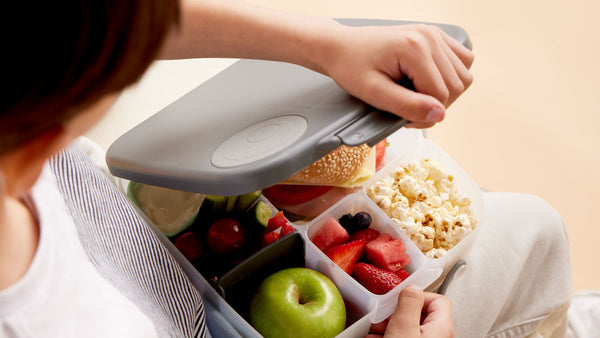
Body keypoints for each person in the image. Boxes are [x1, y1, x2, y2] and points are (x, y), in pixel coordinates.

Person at [0, 0, 572, 337]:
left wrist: (327, 44)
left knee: (519, 223)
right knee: (536, 232)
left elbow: (116, 18)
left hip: (173, 267)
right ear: (42, 141)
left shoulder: (33, 145)